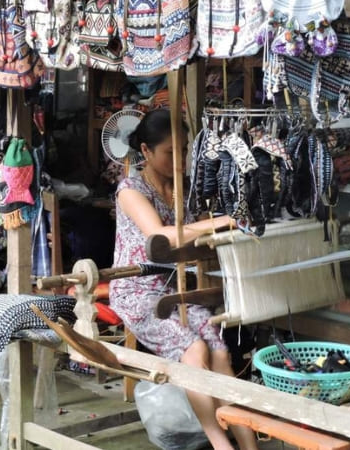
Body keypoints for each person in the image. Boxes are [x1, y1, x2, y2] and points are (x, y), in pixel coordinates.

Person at [109, 109, 258, 450]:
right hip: (139, 292)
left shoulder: (185, 189)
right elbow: (161, 236)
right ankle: (220, 443)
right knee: (194, 348)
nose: (180, 160)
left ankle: (249, 447)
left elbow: (198, 234)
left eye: (184, 150)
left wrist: (230, 225)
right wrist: (224, 221)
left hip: (179, 290)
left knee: (219, 351)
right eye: (169, 153)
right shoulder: (129, 190)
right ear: (145, 151)